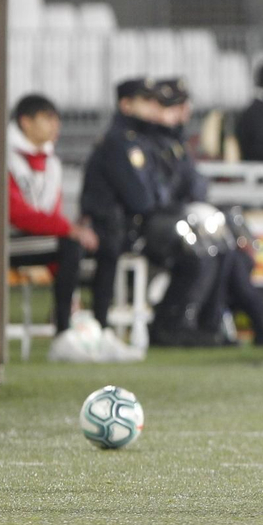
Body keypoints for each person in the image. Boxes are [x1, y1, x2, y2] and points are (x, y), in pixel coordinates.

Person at [147, 78, 263, 346]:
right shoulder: (146, 141)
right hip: (155, 223)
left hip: (177, 217)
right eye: (171, 106)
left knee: (231, 249)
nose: (181, 112)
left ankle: (230, 322)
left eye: (181, 105)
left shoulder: (173, 141)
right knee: (209, 249)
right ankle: (183, 322)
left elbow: (196, 185)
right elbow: (154, 195)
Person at [79, 78, 216, 347]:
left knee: (207, 250)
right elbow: (141, 198)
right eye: (147, 101)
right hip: (121, 230)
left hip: (136, 225)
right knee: (195, 253)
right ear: (126, 105)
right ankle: (170, 324)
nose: (154, 107)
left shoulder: (144, 139)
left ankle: (185, 323)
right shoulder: (121, 142)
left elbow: (180, 184)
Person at [0, 94, 106, 343]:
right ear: (25, 121)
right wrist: (68, 230)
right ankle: (64, 331)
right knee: (71, 244)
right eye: (48, 118)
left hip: (35, 244)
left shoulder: (51, 163)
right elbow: (13, 214)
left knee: (102, 245)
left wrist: (69, 233)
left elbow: (51, 216)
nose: (56, 126)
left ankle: (99, 325)